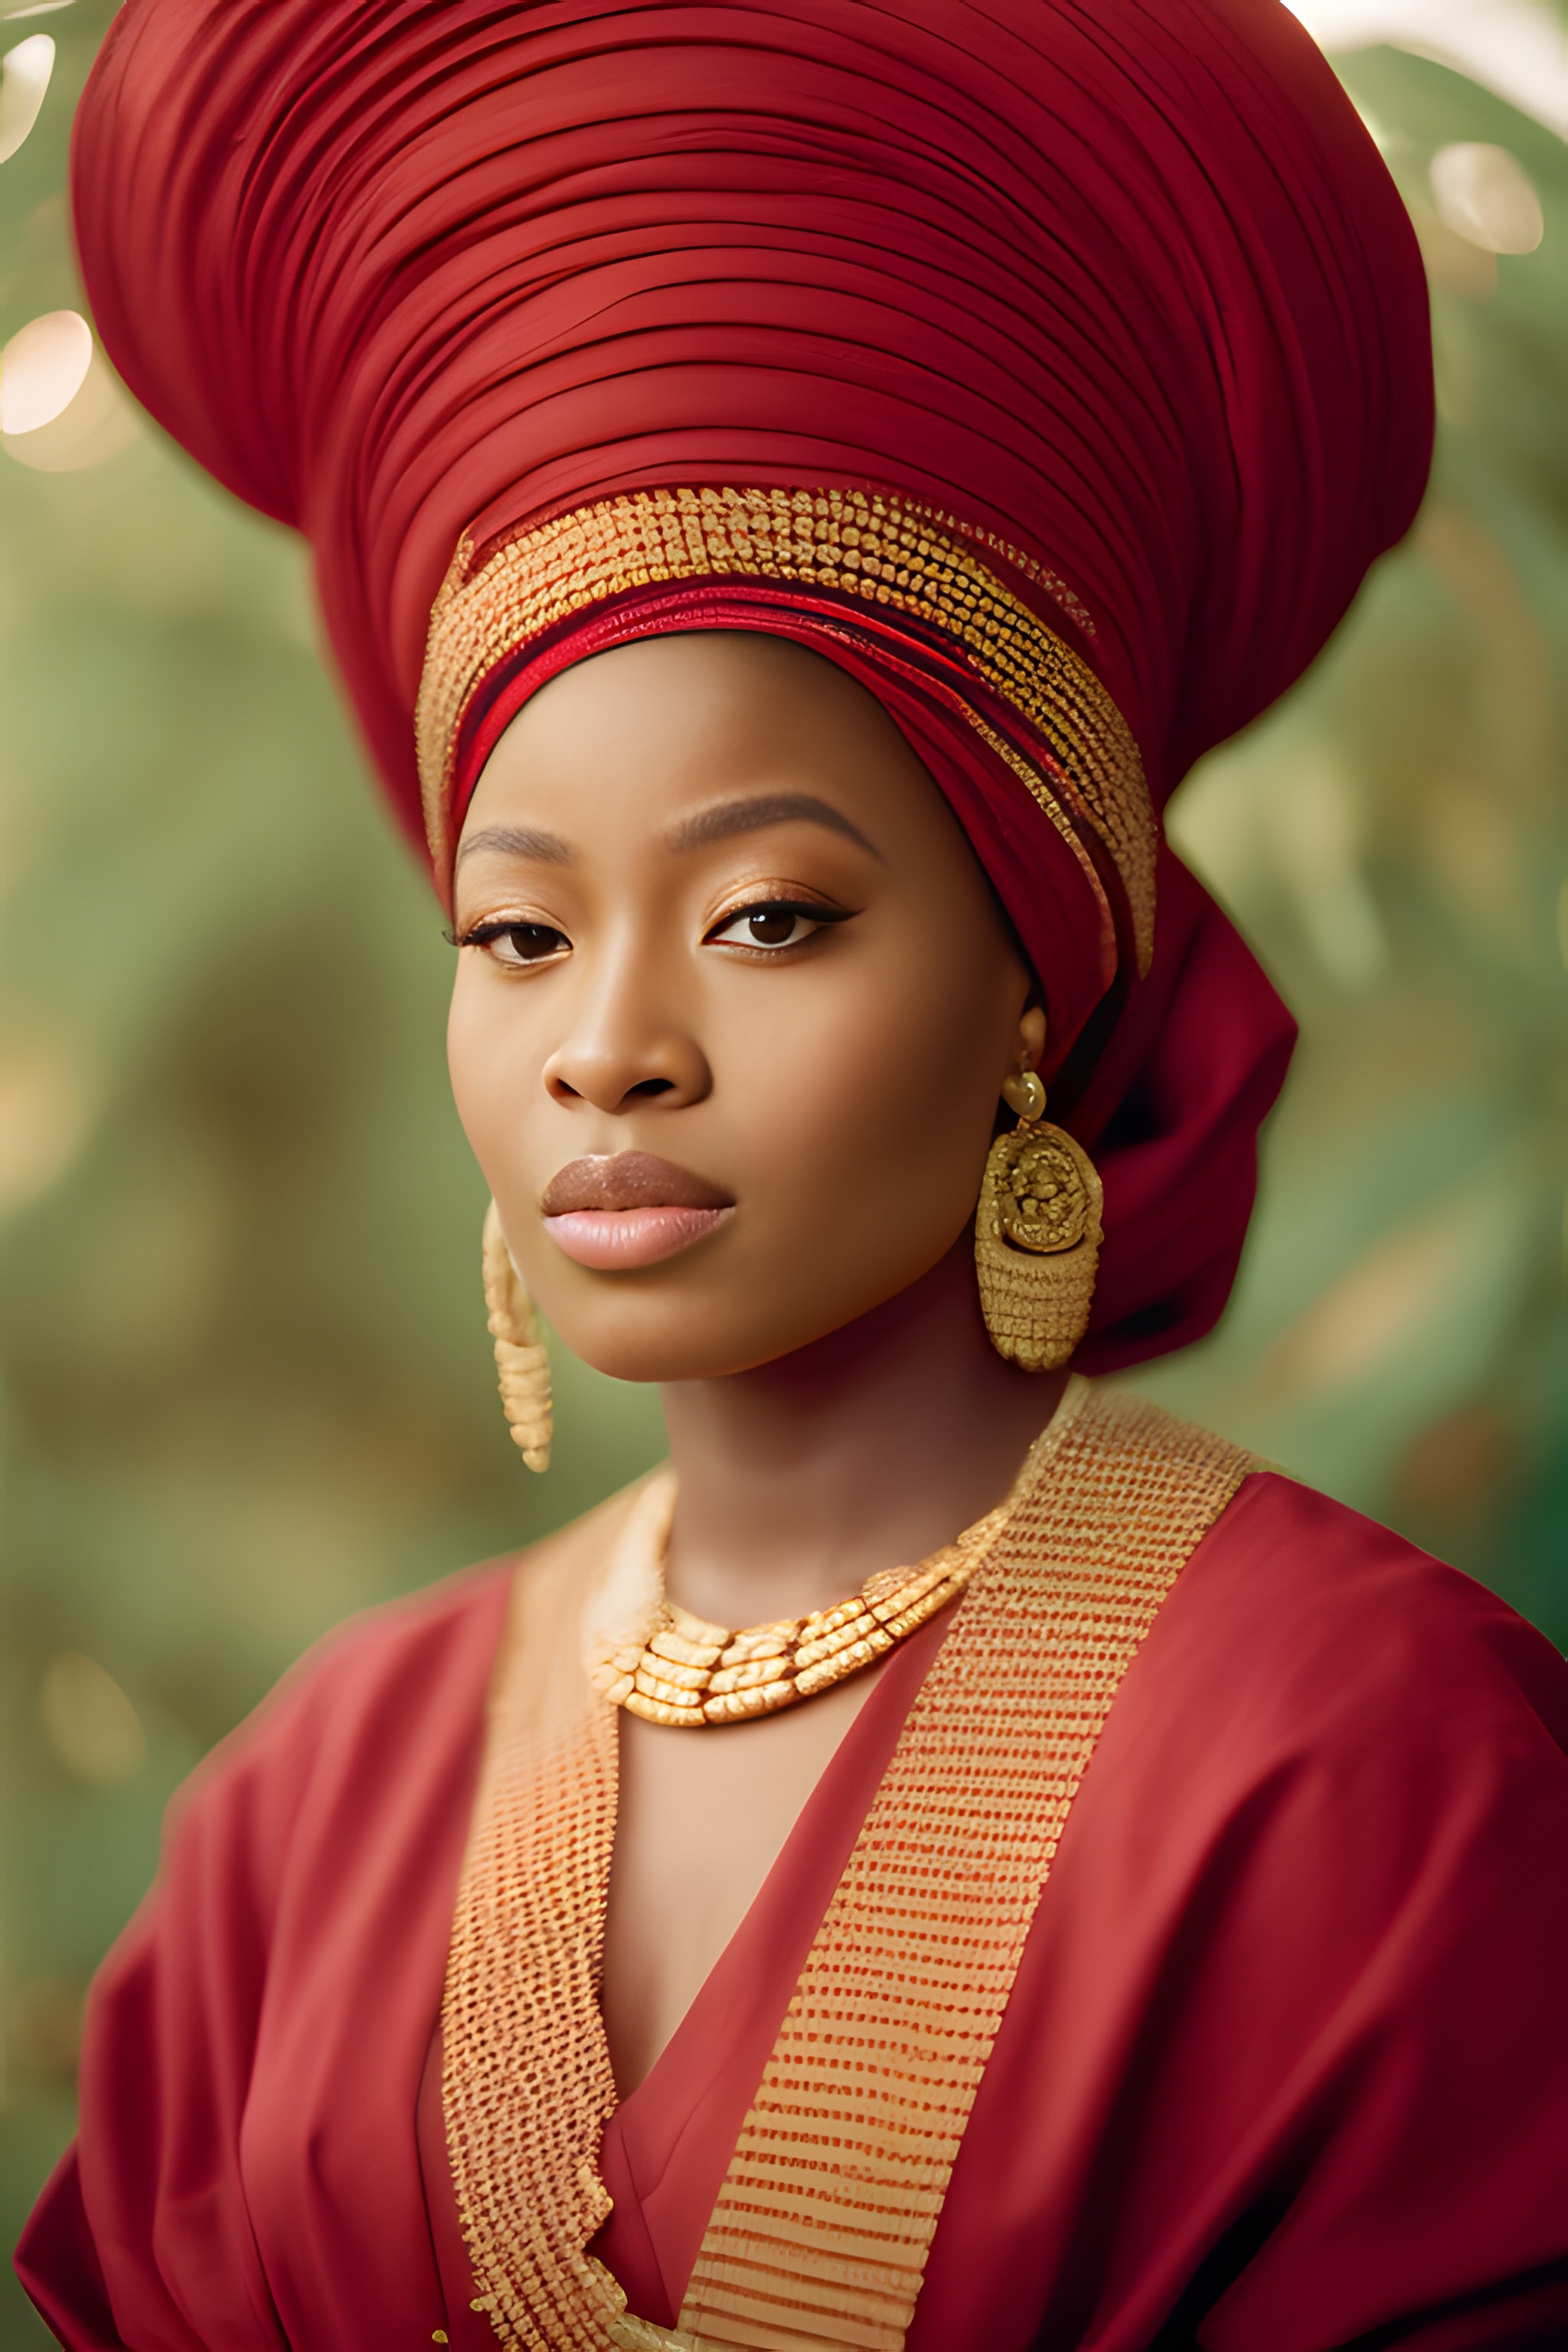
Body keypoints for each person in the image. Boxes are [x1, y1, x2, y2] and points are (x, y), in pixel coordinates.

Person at [17, 1, 1568, 2347]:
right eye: (519, 933)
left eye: (769, 918)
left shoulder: (1371, 1780)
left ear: (1033, 977)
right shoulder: (306, 1811)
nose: (608, 1051)